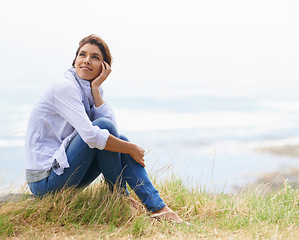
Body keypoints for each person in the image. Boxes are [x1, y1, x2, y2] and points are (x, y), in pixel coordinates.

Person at [25, 34, 184, 224]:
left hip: (65, 175)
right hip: (45, 182)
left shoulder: (88, 91)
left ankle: (156, 208)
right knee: (110, 134)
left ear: (104, 67)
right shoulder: (64, 88)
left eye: (95, 57)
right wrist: (132, 148)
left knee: (117, 138)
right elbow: (94, 136)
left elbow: (112, 132)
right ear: (74, 60)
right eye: (82, 55)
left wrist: (96, 88)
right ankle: (124, 198)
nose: (86, 60)